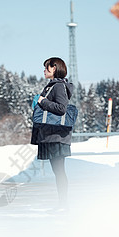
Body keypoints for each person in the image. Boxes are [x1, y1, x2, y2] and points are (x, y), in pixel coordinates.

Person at [31, 57, 73, 211]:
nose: (44, 70)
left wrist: (42, 101)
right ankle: (62, 204)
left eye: (47, 67)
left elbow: (62, 108)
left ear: (55, 68)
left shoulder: (59, 87)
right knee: (58, 171)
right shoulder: (52, 86)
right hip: (51, 135)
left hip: (56, 136)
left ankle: (63, 204)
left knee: (59, 171)